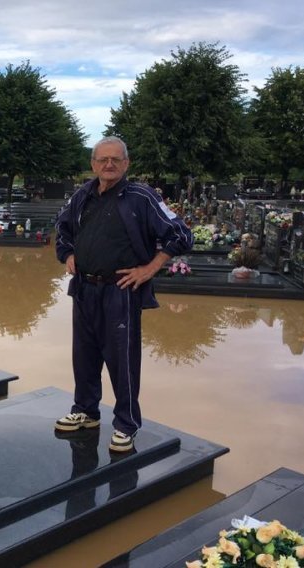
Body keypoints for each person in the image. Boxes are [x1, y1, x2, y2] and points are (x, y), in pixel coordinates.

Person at [54, 136, 193, 452]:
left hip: (121, 291)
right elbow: (62, 230)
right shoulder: (83, 196)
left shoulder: (141, 197)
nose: (109, 165)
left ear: (126, 164)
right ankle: (86, 411)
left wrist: (149, 268)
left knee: (122, 361)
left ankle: (126, 424)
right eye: (103, 159)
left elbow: (181, 235)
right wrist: (68, 255)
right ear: (93, 164)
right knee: (84, 356)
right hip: (85, 289)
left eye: (116, 159)